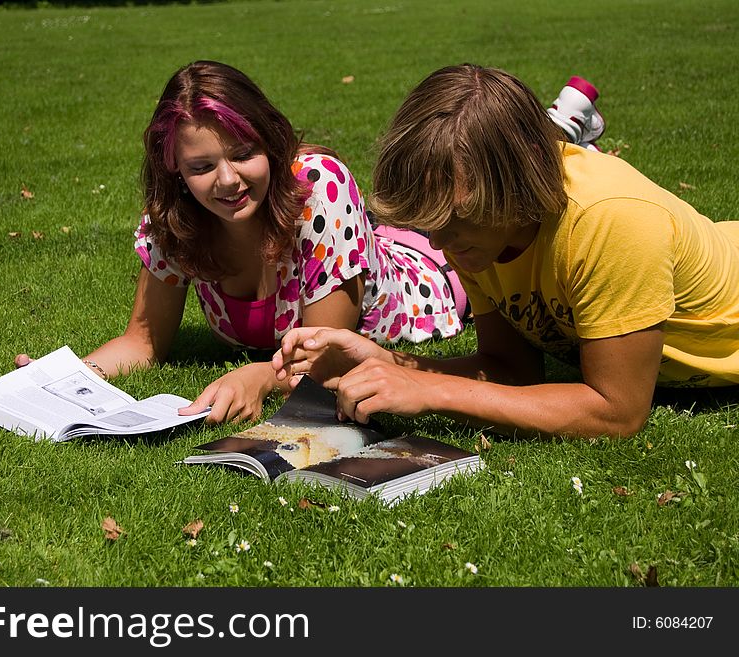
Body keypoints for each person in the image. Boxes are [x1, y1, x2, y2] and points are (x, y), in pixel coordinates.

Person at [272, 63, 739, 440]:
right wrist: (381, 362)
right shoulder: (475, 232)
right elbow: (510, 369)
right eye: (428, 225)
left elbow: (616, 411)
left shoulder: (610, 221)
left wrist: (429, 389)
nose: (436, 244)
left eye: (454, 220)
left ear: (516, 184)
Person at [18, 60, 469, 423]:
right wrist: (63, 379)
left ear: (269, 141)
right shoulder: (174, 217)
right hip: (354, 241)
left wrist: (259, 376)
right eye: (201, 167)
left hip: (426, 277)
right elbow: (141, 342)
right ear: (174, 168)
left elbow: (327, 351)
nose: (228, 181)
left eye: (243, 154)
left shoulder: (320, 186)